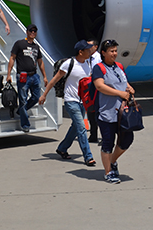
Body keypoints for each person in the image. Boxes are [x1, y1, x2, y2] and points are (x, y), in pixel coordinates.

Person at [39, 40, 96, 166]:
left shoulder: (88, 63)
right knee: (82, 128)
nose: (90, 51)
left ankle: (62, 148)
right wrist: (44, 95)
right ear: (80, 52)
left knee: (75, 127)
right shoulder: (69, 64)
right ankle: (88, 156)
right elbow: (54, 80)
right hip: (71, 101)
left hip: (83, 101)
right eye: (87, 50)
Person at [92, 39, 136, 184]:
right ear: (103, 53)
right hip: (107, 113)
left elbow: (123, 81)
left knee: (127, 139)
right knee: (107, 143)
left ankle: (112, 161)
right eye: (111, 51)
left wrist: (129, 88)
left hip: (122, 112)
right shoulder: (99, 68)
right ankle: (108, 172)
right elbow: (100, 86)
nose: (114, 53)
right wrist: (119, 93)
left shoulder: (119, 66)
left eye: (115, 50)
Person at [6, 24, 47, 132]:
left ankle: (21, 110)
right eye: (31, 31)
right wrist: (8, 74)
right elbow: (12, 58)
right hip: (23, 76)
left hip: (34, 75)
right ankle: (25, 124)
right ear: (27, 32)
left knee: (36, 97)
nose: (33, 33)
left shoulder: (36, 47)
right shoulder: (19, 44)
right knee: (23, 100)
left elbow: (40, 62)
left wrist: (44, 76)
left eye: (35, 31)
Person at [87, 39, 102, 143]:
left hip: (98, 87)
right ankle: (93, 135)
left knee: (99, 112)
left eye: (90, 46)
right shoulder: (87, 57)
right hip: (89, 87)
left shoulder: (99, 58)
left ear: (96, 47)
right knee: (90, 112)